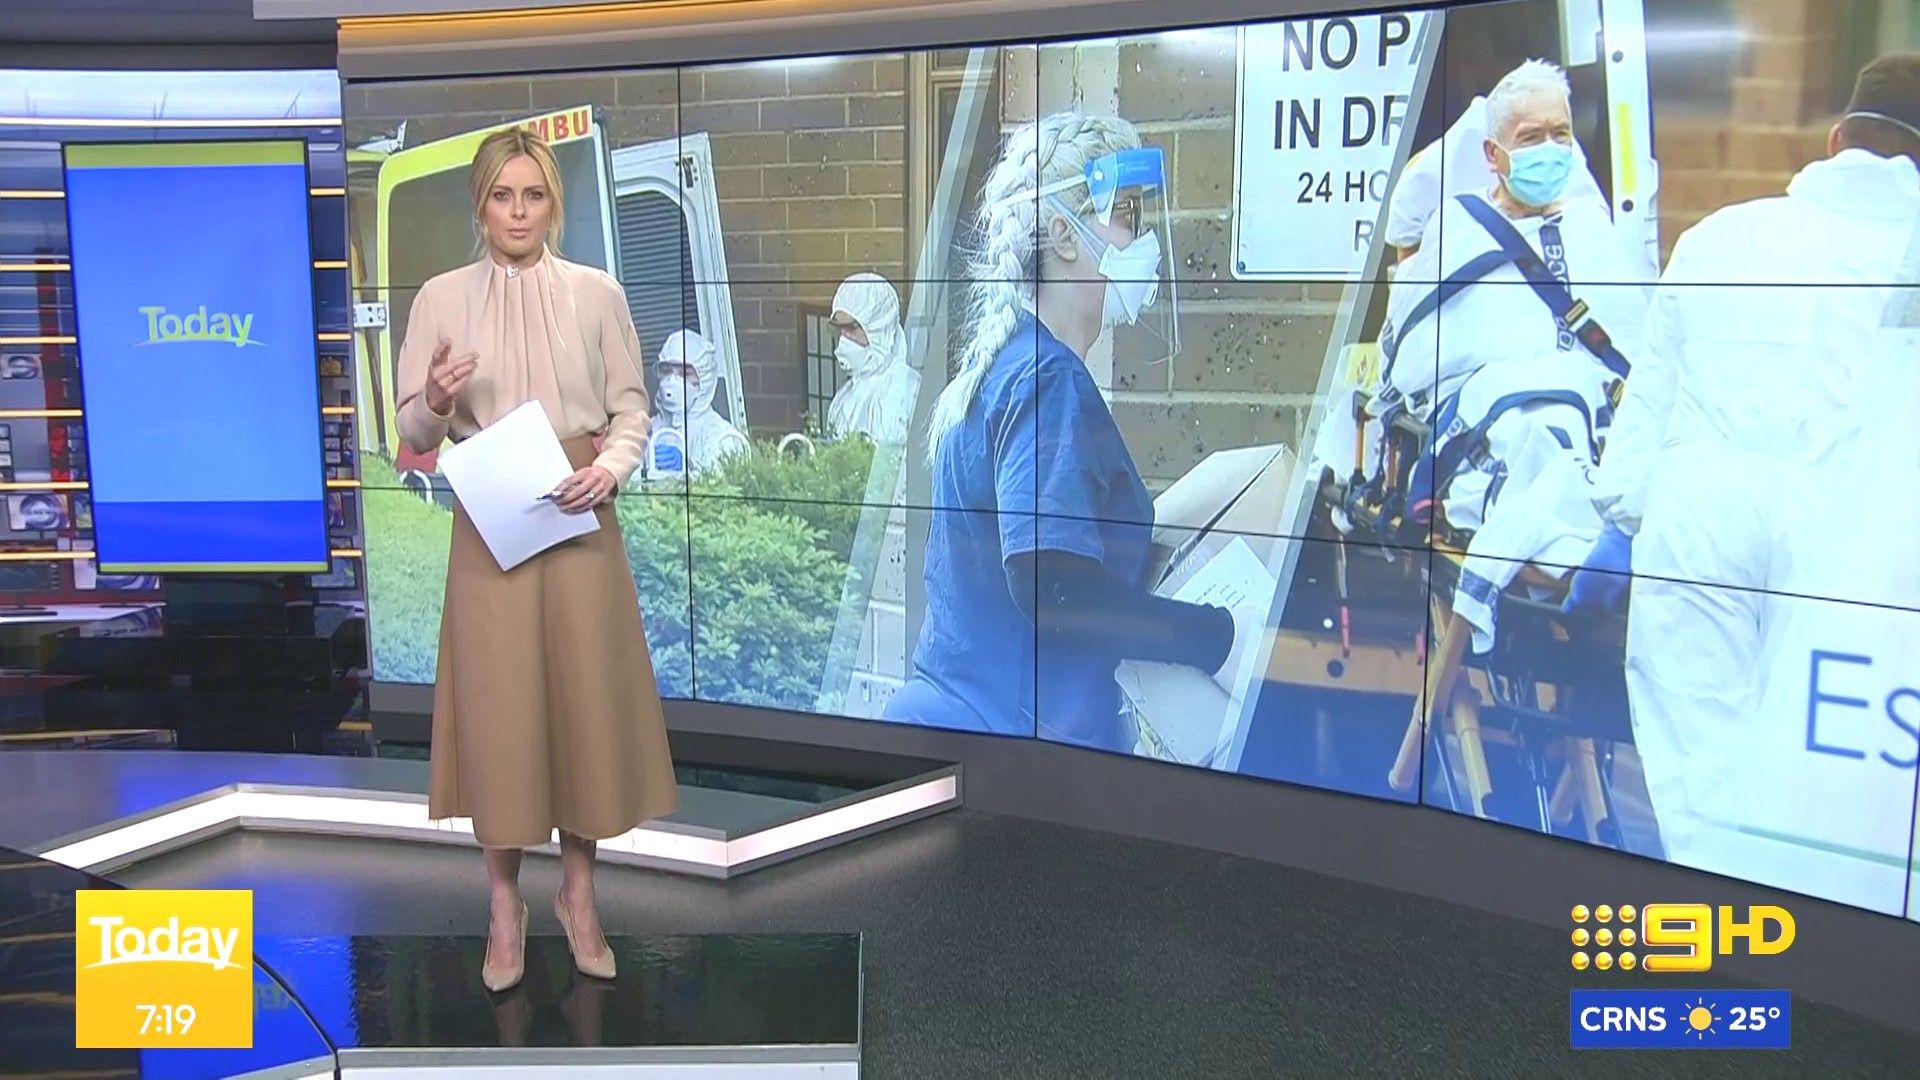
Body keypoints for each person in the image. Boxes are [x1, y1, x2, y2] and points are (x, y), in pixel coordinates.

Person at [1567, 55, 1920, 901]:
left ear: (1834, 141)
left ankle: (1724, 954)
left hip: (1698, 526)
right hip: (1849, 547)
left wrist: (1618, 531)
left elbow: (1641, 432)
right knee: (1828, 814)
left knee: (1705, 791)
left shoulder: (1720, 235)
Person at [395, 127, 679, 992]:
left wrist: (610, 469)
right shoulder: (440, 299)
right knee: (501, 712)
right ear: (479, 205)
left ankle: (579, 897)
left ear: (554, 204)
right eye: (501, 196)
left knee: (580, 705)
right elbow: (413, 430)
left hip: (580, 509)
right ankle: (503, 909)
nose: (518, 213)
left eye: (533, 195)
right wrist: (434, 399)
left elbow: (631, 410)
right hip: (492, 521)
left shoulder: (598, 294)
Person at [884, 112, 1243, 753]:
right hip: (1012, 756)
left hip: (973, 733)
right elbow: (1053, 587)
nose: (1143, 238)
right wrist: (1217, 636)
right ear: (1064, 236)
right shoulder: (1046, 379)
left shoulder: (1009, 365)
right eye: (1126, 216)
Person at [826, 272, 920, 445]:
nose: (844, 339)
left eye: (851, 328)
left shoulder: (910, 393)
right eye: (839, 329)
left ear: (879, 329)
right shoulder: (842, 400)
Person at [651, 328, 747, 477]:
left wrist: (683, 473)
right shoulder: (646, 430)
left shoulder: (723, 439)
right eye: (666, 370)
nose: (672, 380)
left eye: (684, 373)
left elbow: (719, 486)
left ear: (704, 379)